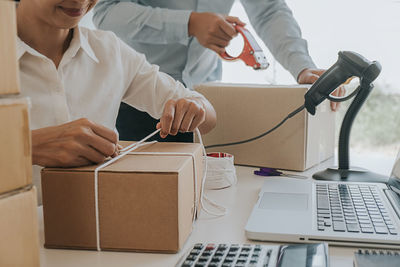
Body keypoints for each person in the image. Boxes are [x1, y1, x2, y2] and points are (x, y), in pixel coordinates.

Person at [16, 0, 216, 203]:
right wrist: (26, 148)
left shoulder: (109, 51)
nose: (81, 1)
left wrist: (194, 109)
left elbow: (207, 117)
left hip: (96, 222)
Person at [93, 0, 344, 143]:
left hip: (204, 106)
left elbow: (269, 11)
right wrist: (188, 23)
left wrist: (302, 66)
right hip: (135, 102)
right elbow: (106, 11)